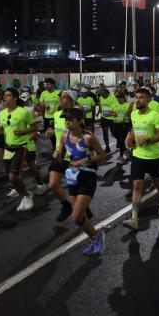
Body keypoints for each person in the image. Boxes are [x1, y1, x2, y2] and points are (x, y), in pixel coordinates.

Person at [55, 108, 106, 255]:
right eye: (66, 120)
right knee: (79, 217)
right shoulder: (64, 137)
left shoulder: (88, 138)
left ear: (79, 121)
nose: (67, 123)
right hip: (72, 177)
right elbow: (61, 158)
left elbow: (102, 155)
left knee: (76, 216)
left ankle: (97, 237)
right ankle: (95, 238)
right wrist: (57, 154)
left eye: (70, 120)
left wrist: (86, 159)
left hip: (88, 177)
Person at [123, 88, 159, 230]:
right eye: (136, 97)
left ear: (149, 99)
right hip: (138, 155)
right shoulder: (134, 114)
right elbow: (133, 130)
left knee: (157, 181)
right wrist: (128, 138)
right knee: (137, 185)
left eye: (142, 97)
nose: (138, 100)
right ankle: (134, 219)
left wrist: (149, 140)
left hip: (154, 156)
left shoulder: (155, 115)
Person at [0, 88, 36, 212]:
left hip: (20, 147)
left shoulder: (23, 112)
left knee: (13, 177)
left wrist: (24, 131)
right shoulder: (2, 113)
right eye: (4, 95)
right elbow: (2, 130)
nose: (5, 97)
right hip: (7, 147)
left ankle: (27, 195)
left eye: (8, 95)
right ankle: (24, 196)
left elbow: (34, 126)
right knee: (11, 179)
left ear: (15, 98)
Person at [48, 91, 78, 221]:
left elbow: (79, 135)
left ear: (71, 100)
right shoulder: (56, 114)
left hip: (73, 157)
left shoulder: (77, 115)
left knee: (74, 191)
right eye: (60, 97)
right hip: (59, 155)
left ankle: (82, 209)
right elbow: (59, 132)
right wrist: (51, 132)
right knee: (53, 184)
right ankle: (66, 206)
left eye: (65, 97)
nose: (61, 99)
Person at [110, 90, 132, 165]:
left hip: (125, 124)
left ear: (124, 98)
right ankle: (125, 149)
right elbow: (108, 112)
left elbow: (131, 114)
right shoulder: (114, 104)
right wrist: (113, 114)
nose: (119, 99)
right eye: (117, 97)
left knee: (121, 139)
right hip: (116, 123)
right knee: (116, 136)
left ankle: (121, 156)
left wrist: (127, 116)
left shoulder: (128, 105)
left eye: (120, 97)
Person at [39, 78, 61, 149]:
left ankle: (57, 147)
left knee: (56, 132)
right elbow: (41, 104)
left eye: (48, 84)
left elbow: (62, 103)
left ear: (53, 85)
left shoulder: (59, 92)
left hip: (57, 116)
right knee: (48, 133)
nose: (46, 86)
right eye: (45, 84)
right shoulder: (43, 93)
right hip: (47, 116)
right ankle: (55, 145)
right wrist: (42, 106)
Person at [98, 87, 118, 154]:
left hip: (112, 118)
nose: (102, 95)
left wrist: (109, 113)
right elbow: (100, 105)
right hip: (104, 118)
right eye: (101, 94)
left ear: (107, 93)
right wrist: (100, 112)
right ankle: (107, 147)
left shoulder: (113, 98)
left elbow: (115, 107)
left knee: (114, 133)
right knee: (105, 133)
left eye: (103, 94)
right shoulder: (101, 97)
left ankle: (119, 141)